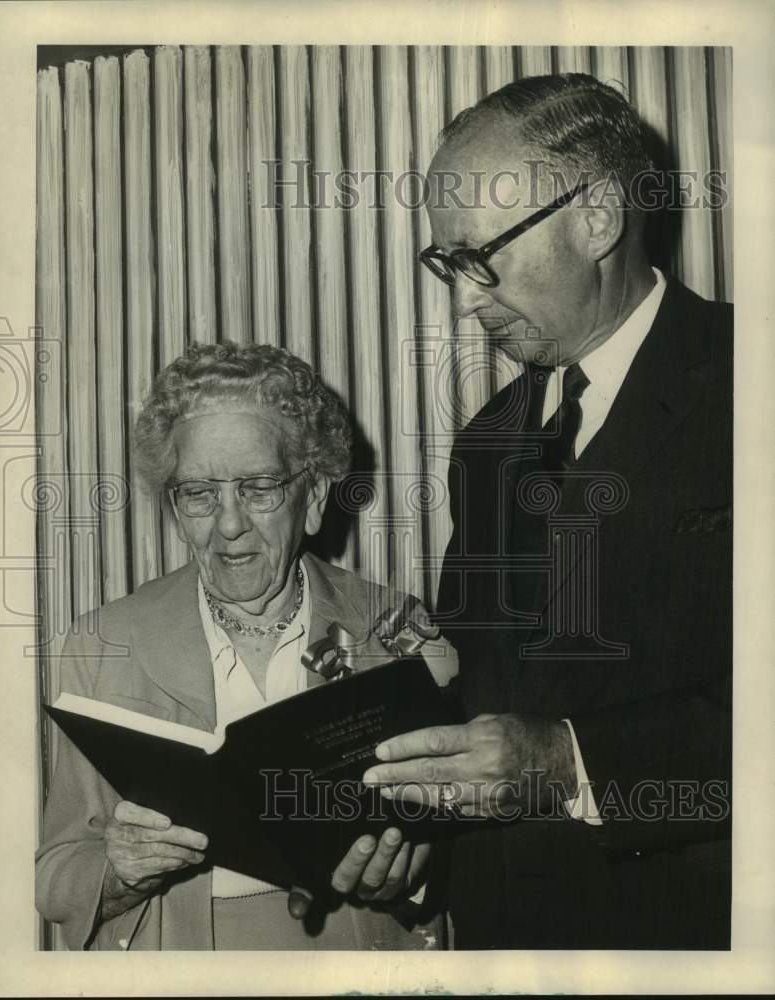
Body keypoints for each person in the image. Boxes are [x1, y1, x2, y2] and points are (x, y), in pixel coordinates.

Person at [362, 73, 732, 949]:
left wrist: (569, 762)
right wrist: (404, 823)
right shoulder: (489, 442)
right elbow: (476, 693)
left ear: (597, 216)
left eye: (480, 256)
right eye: (446, 264)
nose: (463, 300)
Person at [36, 342, 457, 950]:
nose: (228, 523)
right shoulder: (102, 643)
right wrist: (118, 870)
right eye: (199, 493)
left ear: (311, 498)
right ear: (176, 508)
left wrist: (410, 868)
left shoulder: (393, 627)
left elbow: (451, 833)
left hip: (359, 950)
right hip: (182, 959)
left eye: (259, 487)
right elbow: (54, 875)